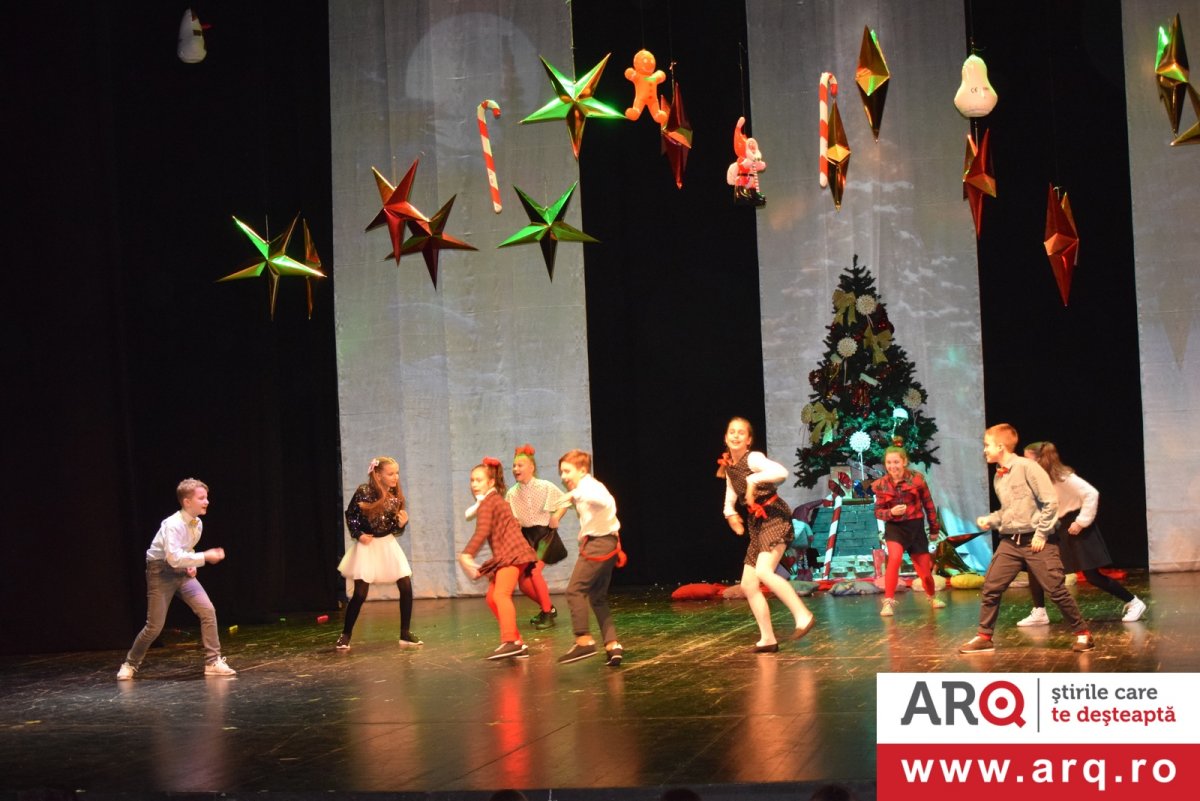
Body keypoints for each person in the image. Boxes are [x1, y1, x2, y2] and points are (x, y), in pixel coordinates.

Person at [959, 424, 1093, 654]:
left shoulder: (1028, 467)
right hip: (1011, 541)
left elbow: (1050, 502)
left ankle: (1083, 634)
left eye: (987, 445)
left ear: (1000, 447)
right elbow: (1010, 511)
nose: (985, 450)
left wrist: (1041, 533)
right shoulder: (999, 476)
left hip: (1037, 540)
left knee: (1055, 589)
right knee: (991, 586)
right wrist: (991, 519)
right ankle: (984, 636)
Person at [117, 478, 236, 679]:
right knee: (154, 626)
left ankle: (213, 662)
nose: (206, 501)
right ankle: (130, 663)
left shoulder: (198, 523)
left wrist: (191, 564)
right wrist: (205, 557)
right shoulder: (172, 524)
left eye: (206, 497)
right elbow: (173, 558)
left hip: (181, 573)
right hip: (161, 572)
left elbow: (185, 550)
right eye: (201, 498)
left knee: (207, 611)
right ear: (187, 502)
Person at [1017, 441, 1146, 624]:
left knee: (1092, 576)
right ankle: (1039, 612)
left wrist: (1081, 522)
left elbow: (1091, 493)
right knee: (1035, 566)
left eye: (1028, 458)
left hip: (1075, 526)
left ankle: (1134, 602)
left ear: (1040, 459)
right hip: (1056, 526)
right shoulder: (1039, 478)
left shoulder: (1063, 477)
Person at [718, 417, 816, 652]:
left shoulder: (753, 458)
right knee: (748, 584)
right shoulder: (730, 467)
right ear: (726, 437)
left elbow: (781, 473)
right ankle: (767, 639)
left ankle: (803, 615)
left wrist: (754, 479)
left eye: (741, 432)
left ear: (749, 440)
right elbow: (731, 497)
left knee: (763, 571)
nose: (736, 435)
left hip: (774, 516)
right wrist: (731, 515)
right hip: (757, 524)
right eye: (732, 432)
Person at [458, 457, 540, 659]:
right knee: (492, 597)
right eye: (472, 480)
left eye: (479, 480)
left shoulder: (489, 503)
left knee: (501, 595)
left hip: (512, 554)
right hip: (510, 554)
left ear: (491, 482)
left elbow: (482, 532)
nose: (474, 484)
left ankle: (510, 641)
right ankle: (517, 642)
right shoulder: (492, 501)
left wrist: (466, 553)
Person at [336, 456, 420, 650]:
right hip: (368, 545)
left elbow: (393, 528)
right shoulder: (364, 492)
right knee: (360, 593)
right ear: (378, 475)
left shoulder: (395, 497)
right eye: (391, 474)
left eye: (397, 473)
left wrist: (401, 524)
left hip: (387, 544)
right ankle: (346, 634)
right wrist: (358, 534)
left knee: (406, 585)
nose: (395, 477)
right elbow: (351, 515)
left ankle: (405, 633)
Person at [557, 449, 625, 666]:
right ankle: (612, 644)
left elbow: (605, 502)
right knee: (597, 597)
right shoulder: (586, 487)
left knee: (574, 591)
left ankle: (583, 640)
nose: (563, 476)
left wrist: (574, 494)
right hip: (607, 543)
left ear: (582, 470)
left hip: (599, 545)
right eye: (561, 472)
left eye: (567, 471)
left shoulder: (589, 487)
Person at [870, 446, 945, 616]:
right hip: (895, 528)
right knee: (894, 559)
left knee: (925, 572)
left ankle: (932, 596)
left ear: (904, 462)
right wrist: (891, 512)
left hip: (915, 528)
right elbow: (878, 512)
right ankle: (888, 602)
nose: (893, 466)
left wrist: (934, 528)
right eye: (889, 462)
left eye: (896, 462)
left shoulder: (917, 480)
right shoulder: (882, 485)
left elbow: (929, 505)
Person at [506, 444, 568, 629]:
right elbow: (509, 518)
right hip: (526, 538)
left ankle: (548, 614)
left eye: (520, 465)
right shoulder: (512, 493)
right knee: (524, 583)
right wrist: (514, 522)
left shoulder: (545, 486)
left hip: (544, 536)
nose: (516, 469)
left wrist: (556, 516)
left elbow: (564, 501)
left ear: (531, 467)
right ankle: (547, 607)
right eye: (514, 466)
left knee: (534, 572)